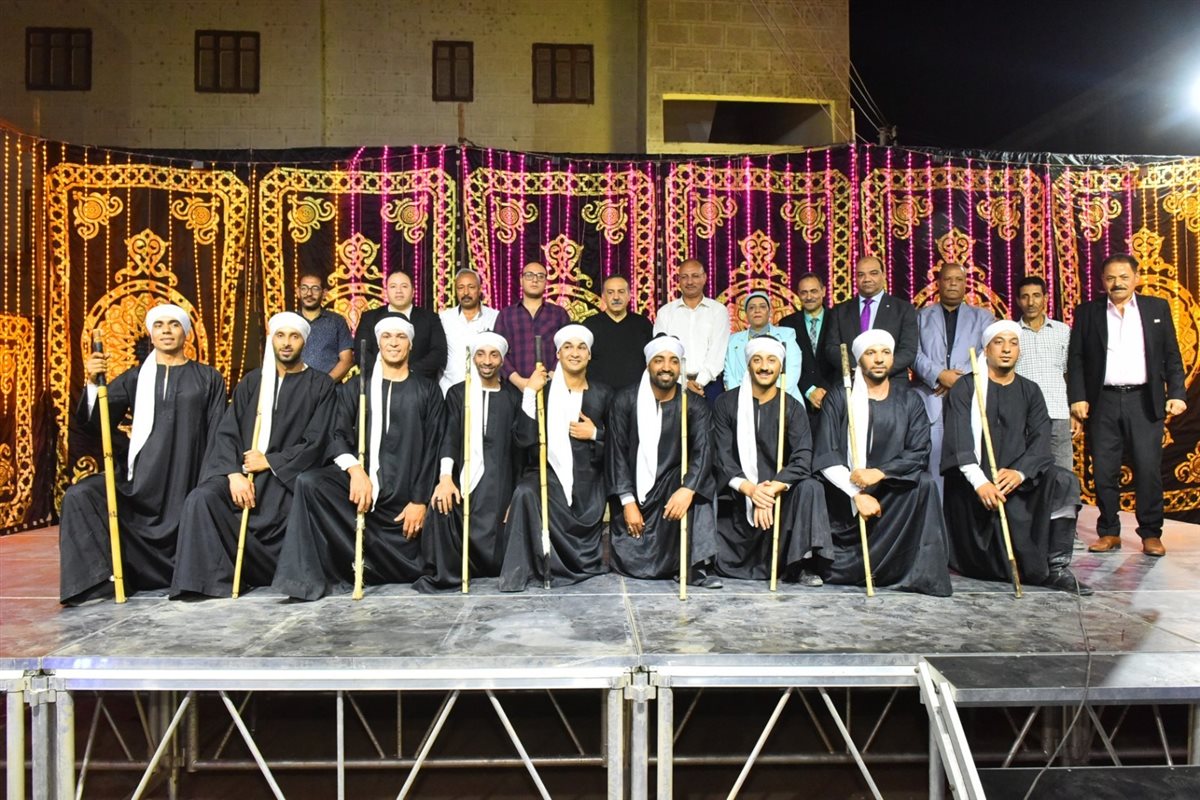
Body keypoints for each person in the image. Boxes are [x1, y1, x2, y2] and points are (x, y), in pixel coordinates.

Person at [59, 305, 227, 604]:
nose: (166, 330)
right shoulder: (135, 378)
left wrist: (213, 477)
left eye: (174, 324)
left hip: (187, 477)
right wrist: (92, 383)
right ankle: (95, 582)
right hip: (140, 481)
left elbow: (218, 432)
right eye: (159, 325)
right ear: (151, 333)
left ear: (186, 332)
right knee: (80, 495)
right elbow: (97, 423)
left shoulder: (208, 377)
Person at [273, 317, 444, 600]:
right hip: (364, 493)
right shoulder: (357, 387)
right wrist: (355, 471)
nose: (393, 343)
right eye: (386, 336)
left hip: (405, 496)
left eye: (400, 337)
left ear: (411, 345)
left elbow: (433, 448)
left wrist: (419, 500)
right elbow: (336, 433)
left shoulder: (427, 389)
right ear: (378, 343)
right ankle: (309, 581)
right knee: (310, 483)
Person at [171, 313, 336, 597]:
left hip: (285, 479)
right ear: (272, 340)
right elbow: (227, 432)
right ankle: (208, 583)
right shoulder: (253, 382)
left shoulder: (321, 385)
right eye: (280, 336)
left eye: (294, 336)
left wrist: (270, 461)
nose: (286, 343)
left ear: (304, 342)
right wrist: (233, 474)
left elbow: (318, 441)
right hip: (244, 475)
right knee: (201, 498)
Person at [942, 322, 1090, 594]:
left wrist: (1019, 473)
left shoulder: (1030, 390)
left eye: (1013, 343)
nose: (1007, 349)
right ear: (986, 349)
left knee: (1064, 480)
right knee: (996, 556)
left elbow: (1040, 442)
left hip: (1018, 481)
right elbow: (959, 441)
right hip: (977, 487)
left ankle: (1057, 567)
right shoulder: (966, 387)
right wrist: (981, 483)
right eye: (999, 342)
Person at [814, 329, 952, 596]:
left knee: (924, 483)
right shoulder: (840, 397)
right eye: (871, 353)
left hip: (890, 492)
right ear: (859, 360)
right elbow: (825, 454)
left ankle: (918, 573)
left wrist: (880, 472)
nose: (879, 359)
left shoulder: (909, 399)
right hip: (846, 499)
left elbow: (919, 451)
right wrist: (856, 494)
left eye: (885, 352)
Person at [1068, 253, 1187, 557]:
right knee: (1104, 470)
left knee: (1148, 469)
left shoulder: (1156, 308)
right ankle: (1109, 531)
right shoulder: (1088, 312)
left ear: (1136, 278)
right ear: (1102, 281)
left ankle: (1151, 534)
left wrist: (1177, 393)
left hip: (1144, 400)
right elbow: (1076, 359)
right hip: (1103, 401)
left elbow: (1172, 356)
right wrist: (1078, 397)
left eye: (1123, 277)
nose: (1117, 283)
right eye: (1110, 278)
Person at [499, 324, 614, 591]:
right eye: (568, 347)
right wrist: (530, 391)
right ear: (558, 354)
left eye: (581, 347)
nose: (575, 353)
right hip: (547, 472)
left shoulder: (604, 393)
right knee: (525, 492)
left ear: (589, 355)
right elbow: (523, 439)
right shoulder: (544, 391)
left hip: (589, 479)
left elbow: (621, 444)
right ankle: (522, 572)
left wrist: (595, 433)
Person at [414, 331, 530, 592]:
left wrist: (515, 497)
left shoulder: (513, 396)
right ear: (473, 358)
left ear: (502, 360)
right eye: (481, 354)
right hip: (465, 481)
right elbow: (449, 437)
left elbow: (520, 451)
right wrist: (445, 478)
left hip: (501, 482)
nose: (487, 361)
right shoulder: (458, 394)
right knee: (443, 506)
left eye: (493, 355)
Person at [712, 336, 831, 584]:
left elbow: (803, 457)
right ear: (748, 364)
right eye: (757, 360)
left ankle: (801, 565)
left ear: (780, 366)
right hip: (737, 497)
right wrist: (751, 490)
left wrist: (770, 490)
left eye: (771, 360)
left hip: (778, 497)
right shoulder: (726, 403)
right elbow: (721, 456)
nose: (764, 367)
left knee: (811, 487)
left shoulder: (793, 407)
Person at [607, 335, 721, 588]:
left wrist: (688, 489)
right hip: (636, 495)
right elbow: (616, 454)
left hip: (675, 491)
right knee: (635, 561)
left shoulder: (694, 405)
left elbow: (704, 452)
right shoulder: (625, 400)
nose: (666, 367)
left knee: (702, 482)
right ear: (648, 365)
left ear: (680, 367)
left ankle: (694, 566)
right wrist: (627, 502)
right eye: (659, 360)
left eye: (673, 361)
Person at [912, 263, 996, 493]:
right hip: (931, 398)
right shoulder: (920, 317)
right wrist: (939, 375)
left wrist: (959, 379)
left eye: (958, 279)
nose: (952, 284)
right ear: (938, 283)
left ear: (965, 284)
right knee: (933, 465)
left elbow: (987, 352)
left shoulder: (983, 318)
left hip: (969, 397)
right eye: (947, 279)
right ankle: (936, 515)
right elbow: (913, 353)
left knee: (970, 461)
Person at [824, 255, 918, 386]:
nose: (867, 279)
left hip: (892, 384)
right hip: (850, 383)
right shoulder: (840, 311)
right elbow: (832, 348)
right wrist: (858, 369)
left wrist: (878, 370)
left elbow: (908, 350)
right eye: (861, 275)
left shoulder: (903, 309)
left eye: (873, 273)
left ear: (884, 275)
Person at [1015, 276, 1076, 472]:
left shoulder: (1062, 331)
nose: (1031, 302)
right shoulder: (1011, 334)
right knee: (1028, 474)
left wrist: (1073, 410)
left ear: (1046, 298)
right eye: (1025, 297)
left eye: (1036, 295)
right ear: (1018, 301)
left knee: (1062, 475)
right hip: (1023, 417)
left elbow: (1070, 374)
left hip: (1058, 414)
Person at [653, 259, 731, 405]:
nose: (690, 282)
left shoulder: (718, 311)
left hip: (710, 386)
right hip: (673, 384)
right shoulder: (665, 313)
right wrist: (683, 382)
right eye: (684, 277)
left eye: (695, 276)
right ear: (678, 280)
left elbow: (717, 352)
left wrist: (699, 382)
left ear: (704, 278)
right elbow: (661, 353)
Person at [355, 269, 448, 380]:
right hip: (378, 381)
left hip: (419, 383)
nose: (398, 291)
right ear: (386, 291)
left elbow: (438, 353)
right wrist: (385, 373)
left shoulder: (430, 318)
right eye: (393, 286)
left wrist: (407, 374)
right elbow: (361, 353)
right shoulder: (369, 317)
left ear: (413, 291)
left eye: (404, 286)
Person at [493, 261, 571, 390]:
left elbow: (567, 348)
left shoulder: (559, 314)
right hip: (513, 388)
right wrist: (518, 381)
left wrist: (550, 377)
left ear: (546, 282)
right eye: (529, 275)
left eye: (540, 276)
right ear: (521, 280)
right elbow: (497, 350)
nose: (535, 280)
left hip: (551, 387)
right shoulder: (506, 315)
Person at [723, 291, 803, 400]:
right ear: (745, 313)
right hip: (743, 401)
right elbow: (729, 376)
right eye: (752, 307)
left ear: (769, 312)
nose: (757, 310)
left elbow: (792, 371)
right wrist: (745, 400)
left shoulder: (786, 335)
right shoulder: (733, 340)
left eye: (762, 307)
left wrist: (769, 399)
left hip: (783, 399)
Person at [779, 272, 837, 419]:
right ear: (798, 294)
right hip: (799, 400)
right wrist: (809, 390)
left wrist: (825, 392)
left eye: (814, 291)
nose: (809, 297)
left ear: (823, 291)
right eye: (804, 292)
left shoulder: (838, 318)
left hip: (833, 398)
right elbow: (786, 364)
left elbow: (841, 359)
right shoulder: (787, 324)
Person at [583, 274, 654, 390]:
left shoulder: (643, 324)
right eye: (610, 292)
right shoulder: (589, 325)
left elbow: (653, 361)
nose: (616, 297)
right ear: (603, 297)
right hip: (597, 395)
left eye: (621, 292)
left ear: (629, 296)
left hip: (635, 394)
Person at [438, 269, 499, 395]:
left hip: (485, 391)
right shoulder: (443, 318)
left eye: (471, 287)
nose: (466, 292)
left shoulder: (495, 317)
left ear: (480, 289)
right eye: (461, 288)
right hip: (449, 391)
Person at [297, 271, 353, 381]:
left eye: (315, 289)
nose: (309, 293)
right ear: (298, 292)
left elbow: (347, 360)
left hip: (329, 387)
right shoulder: (289, 321)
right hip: (294, 388)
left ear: (324, 293)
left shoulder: (337, 321)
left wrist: (324, 384)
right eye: (304, 288)